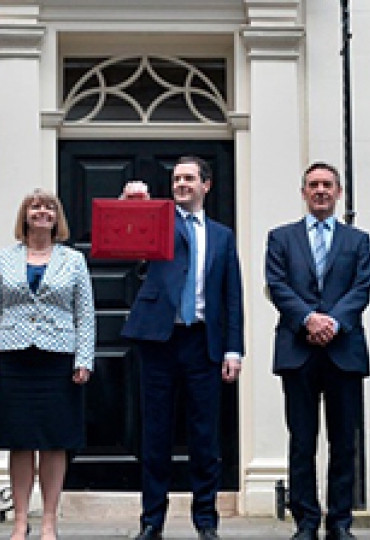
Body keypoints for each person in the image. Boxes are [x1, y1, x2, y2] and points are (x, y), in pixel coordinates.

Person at [119, 155, 244, 540]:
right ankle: (151, 521)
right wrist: (130, 203)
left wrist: (233, 349)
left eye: (189, 178)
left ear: (207, 185)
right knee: (155, 434)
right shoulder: (157, 221)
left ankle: (205, 520)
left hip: (203, 341)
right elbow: (125, 238)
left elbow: (232, 296)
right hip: (160, 340)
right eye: (177, 179)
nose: (182, 184)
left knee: (205, 436)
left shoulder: (223, 236)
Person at [265, 162, 370, 540]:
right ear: (303, 192)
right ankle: (306, 522)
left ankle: (340, 521)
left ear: (339, 192)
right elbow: (277, 285)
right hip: (298, 351)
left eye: (327, 185)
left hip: (344, 351)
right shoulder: (281, 238)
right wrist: (309, 319)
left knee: (344, 442)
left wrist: (331, 322)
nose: (321, 190)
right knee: (302, 441)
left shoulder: (357, 241)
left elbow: (362, 288)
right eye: (313, 185)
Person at [0, 189, 95, 540]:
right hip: (13, 357)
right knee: (20, 441)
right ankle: (19, 521)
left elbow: (85, 314)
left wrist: (84, 358)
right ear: (25, 216)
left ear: (57, 217)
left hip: (58, 358)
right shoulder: (3, 259)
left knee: (55, 441)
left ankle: (48, 521)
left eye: (48, 207)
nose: (42, 212)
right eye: (35, 206)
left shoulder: (73, 261)